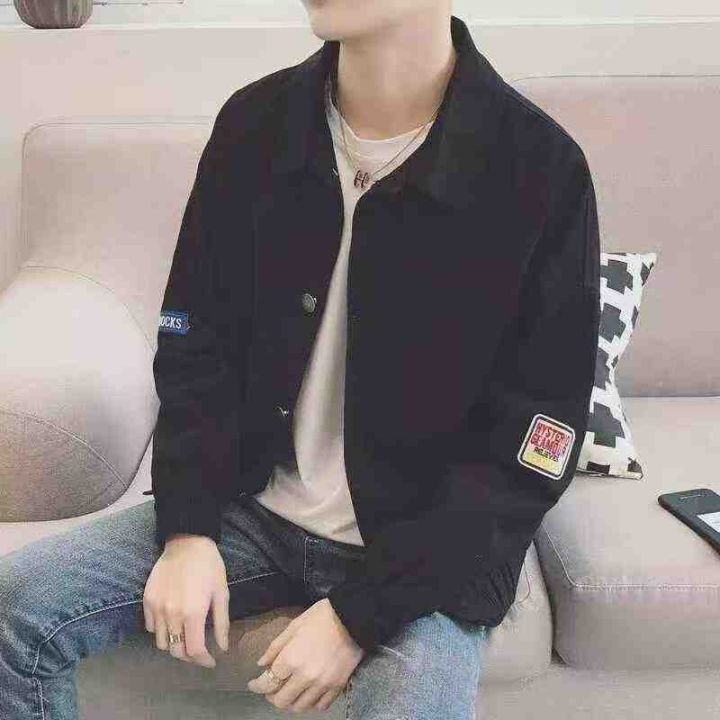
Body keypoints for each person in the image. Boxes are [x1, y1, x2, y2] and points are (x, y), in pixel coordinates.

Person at [0, 2, 601, 719]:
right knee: (15, 608)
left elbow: (529, 451)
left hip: (423, 553)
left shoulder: (539, 169)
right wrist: (188, 529)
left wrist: (360, 615)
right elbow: (195, 345)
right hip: (251, 511)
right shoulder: (255, 125)